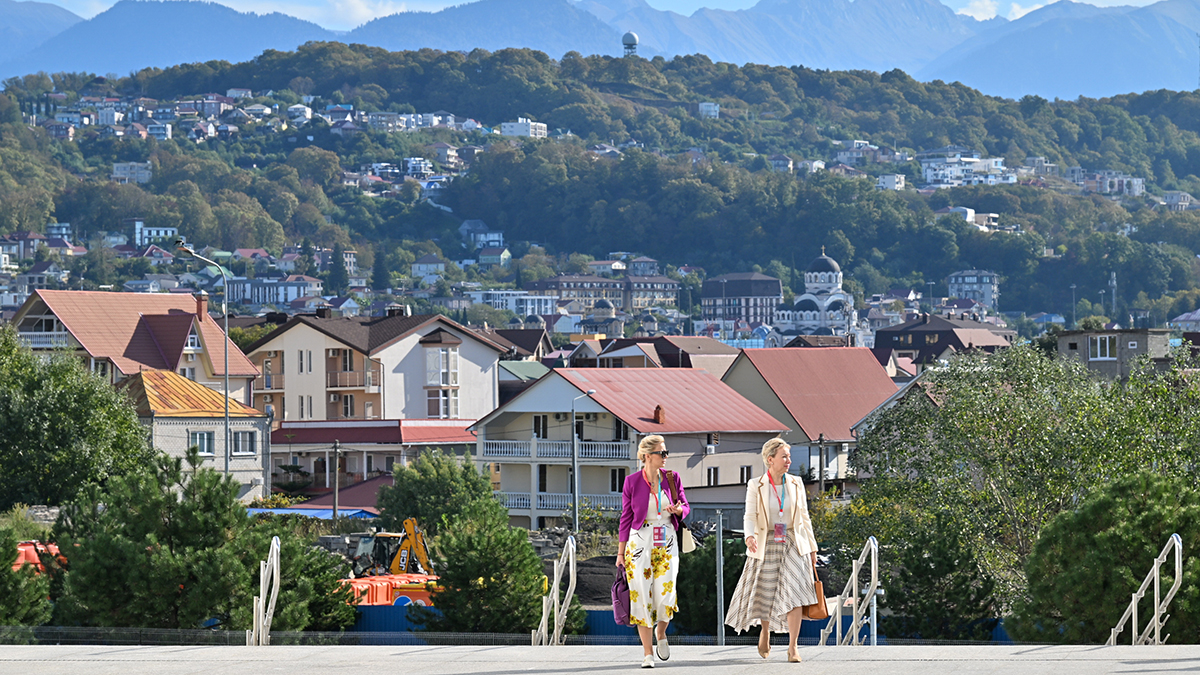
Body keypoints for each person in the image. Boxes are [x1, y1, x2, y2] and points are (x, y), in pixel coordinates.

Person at [725, 438, 819, 663]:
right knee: (766, 592)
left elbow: (804, 517)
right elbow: (749, 516)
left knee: (794, 594)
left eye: (789, 456)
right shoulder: (755, 485)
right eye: (784, 456)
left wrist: (812, 547)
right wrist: (749, 536)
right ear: (770, 460)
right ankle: (765, 631)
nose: (789, 460)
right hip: (765, 541)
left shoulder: (796, 482)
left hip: (793, 542)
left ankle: (793, 647)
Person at [617, 434, 690, 669]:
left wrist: (679, 510)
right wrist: (620, 553)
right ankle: (647, 654)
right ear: (647, 456)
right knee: (640, 596)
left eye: (666, 452)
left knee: (665, 594)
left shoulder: (672, 478)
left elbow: (686, 506)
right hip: (639, 542)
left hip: (666, 540)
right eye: (662, 453)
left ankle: (661, 632)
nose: (666, 456)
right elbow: (626, 518)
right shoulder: (632, 482)